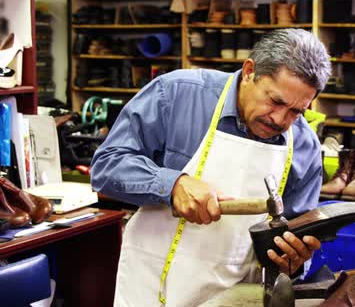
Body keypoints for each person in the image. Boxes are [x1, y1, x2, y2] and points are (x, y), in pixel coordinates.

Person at [90, 28, 332, 306]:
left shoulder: (305, 147)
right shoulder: (177, 94)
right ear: (250, 70)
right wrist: (172, 184)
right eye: (275, 101)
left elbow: (290, 244)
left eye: (296, 111)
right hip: (152, 287)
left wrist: (292, 259)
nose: (280, 119)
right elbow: (107, 166)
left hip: (237, 297)